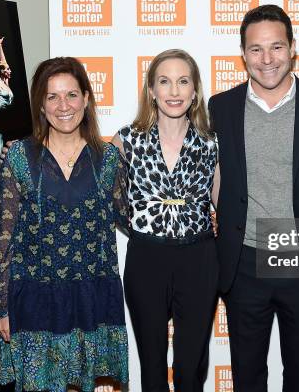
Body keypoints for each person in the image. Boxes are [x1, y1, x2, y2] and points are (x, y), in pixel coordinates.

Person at [208, 5, 299, 391]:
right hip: (244, 262)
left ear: (293, 48)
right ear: (243, 54)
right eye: (256, 49)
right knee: (247, 377)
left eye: (276, 47)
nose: (267, 59)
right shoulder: (222, 107)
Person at [0, 57, 128, 392]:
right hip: (34, 298)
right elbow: (5, 238)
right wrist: (2, 306)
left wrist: (194, 214)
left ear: (87, 99)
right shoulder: (19, 158)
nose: (64, 106)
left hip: (90, 298)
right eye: (52, 97)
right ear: (41, 105)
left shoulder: (107, 159)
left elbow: (131, 216)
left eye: (72, 95)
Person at [111, 49, 220, 392]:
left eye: (183, 81)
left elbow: (225, 205)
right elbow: (103, 198)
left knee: (191, 369)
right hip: (147, 259)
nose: (174, 91)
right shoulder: (126, 140)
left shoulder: (211, 142)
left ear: (195, 91)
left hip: (199, 259)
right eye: (165, 81)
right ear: (152, 90)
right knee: (152, 366)